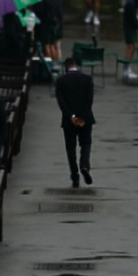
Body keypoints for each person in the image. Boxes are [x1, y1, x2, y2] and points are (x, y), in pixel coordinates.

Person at [55, 58, 95, 188]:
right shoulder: (87, 79)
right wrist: (82, 117)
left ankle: (75, 176)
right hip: (86, 119)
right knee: (86, 144)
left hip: (68, 121)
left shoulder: (61, 81)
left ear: (66, 67)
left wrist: (71, 116)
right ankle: (84, 165)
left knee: (70, 149)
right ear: (76, 66)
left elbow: (61, 102)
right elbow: (89, 100)